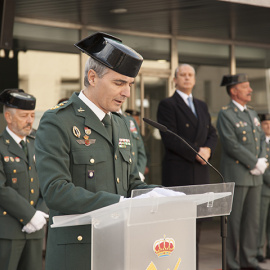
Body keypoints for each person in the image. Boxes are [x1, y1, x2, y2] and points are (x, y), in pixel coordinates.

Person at [35, 32, 159, 270]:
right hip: (78, 252)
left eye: (130, 84)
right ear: (92, 77)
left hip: (120, 247)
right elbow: (55, 191)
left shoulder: (121, 123)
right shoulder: (58, 121)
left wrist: (160, 195)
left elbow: (131, 183)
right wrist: (119, 203)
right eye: (119, 83)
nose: (127, 93)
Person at [157, 63, 218, 269]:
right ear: (174, 79)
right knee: (178, 229)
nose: (186, 78)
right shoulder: (167, 104)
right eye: (182, 75)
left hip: (200, 173)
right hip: (179, 174)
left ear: (194, 79)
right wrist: (196, 152)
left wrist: (208, 149)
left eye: (190, 74)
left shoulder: (201, 105)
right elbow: (170, 138)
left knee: (196, 230)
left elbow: (212, 133)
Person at [217, 74, 268, 270]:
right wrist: (254, 162)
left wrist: (262, 160)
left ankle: (249, 260)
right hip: (237, 176)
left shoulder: (252, 114)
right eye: (246, 86)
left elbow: (262, 139)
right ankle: (231, 263)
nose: (250, 90)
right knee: (233, 223)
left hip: (255, 177)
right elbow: (231, 144)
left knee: (252, 223)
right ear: (234, 91)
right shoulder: (226, 114)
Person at [0, 89, 48, 270]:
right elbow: (1, 188)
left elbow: (49, 180)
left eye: (32, 115)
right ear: (8, 117)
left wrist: (41, 213)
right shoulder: (1, 146)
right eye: (24, 116)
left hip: (36, 230)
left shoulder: (38, 143)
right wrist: (30, 215)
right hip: (9, 231)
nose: (29, 121)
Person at [257, 113, 270, 263]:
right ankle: (258, 250)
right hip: (264, 188)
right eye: (265, 123)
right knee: (260, 222)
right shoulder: (260, 142)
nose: (268, 126)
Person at [122, 109, 148, 180]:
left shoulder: (130, 120)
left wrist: (140, 172)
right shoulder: (115, 118)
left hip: (137, 173)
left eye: (138, 119)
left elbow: (141, 150)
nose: (138, 121)